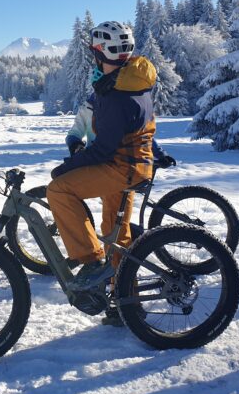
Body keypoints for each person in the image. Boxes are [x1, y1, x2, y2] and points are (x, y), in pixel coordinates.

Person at [47, 21, 157, 307]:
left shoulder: (117, 94)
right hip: (132, 165)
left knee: (59, 190)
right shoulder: (130, 82)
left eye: (95, 53)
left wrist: (68, 168)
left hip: (121, 168)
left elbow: (103, 150)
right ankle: (126, 302)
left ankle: (92, 261)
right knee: (116, 235)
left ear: (101, 54)